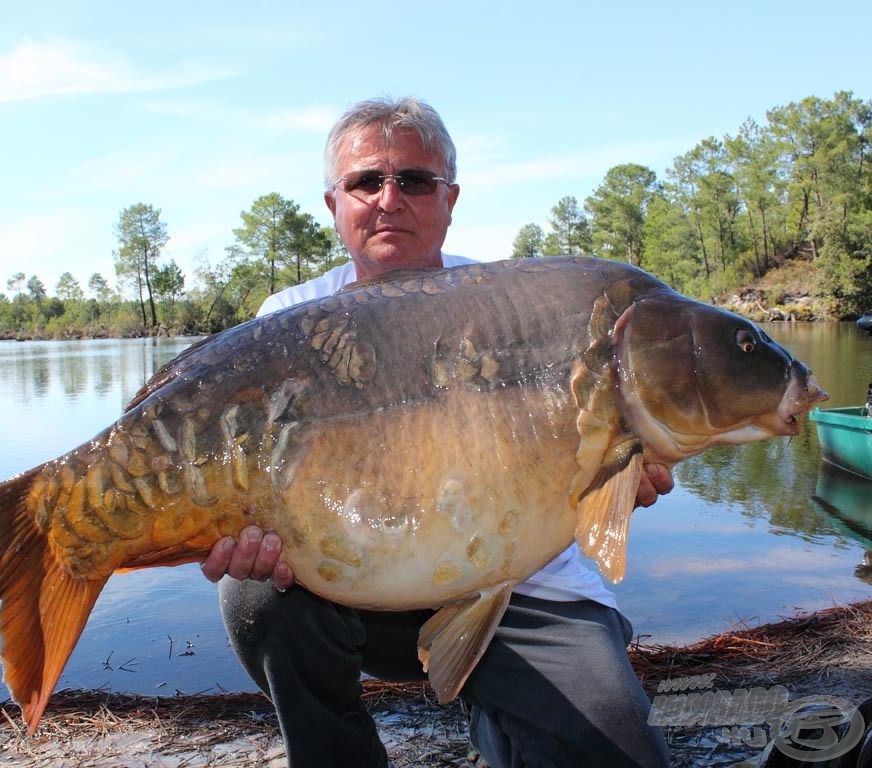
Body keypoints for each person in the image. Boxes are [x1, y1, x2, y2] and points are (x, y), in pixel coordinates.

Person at [201, 97, 674, 768]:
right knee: (255, 595)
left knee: (621, 752)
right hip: (358, 586)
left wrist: (621, 477)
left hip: (524, 588)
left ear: (449, 200)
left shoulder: (518, 308)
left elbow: (597, 465)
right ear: (334, 204)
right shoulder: (290, 320)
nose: (389, 199)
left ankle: (505, 718)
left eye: (414, 181)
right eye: (367, 181)